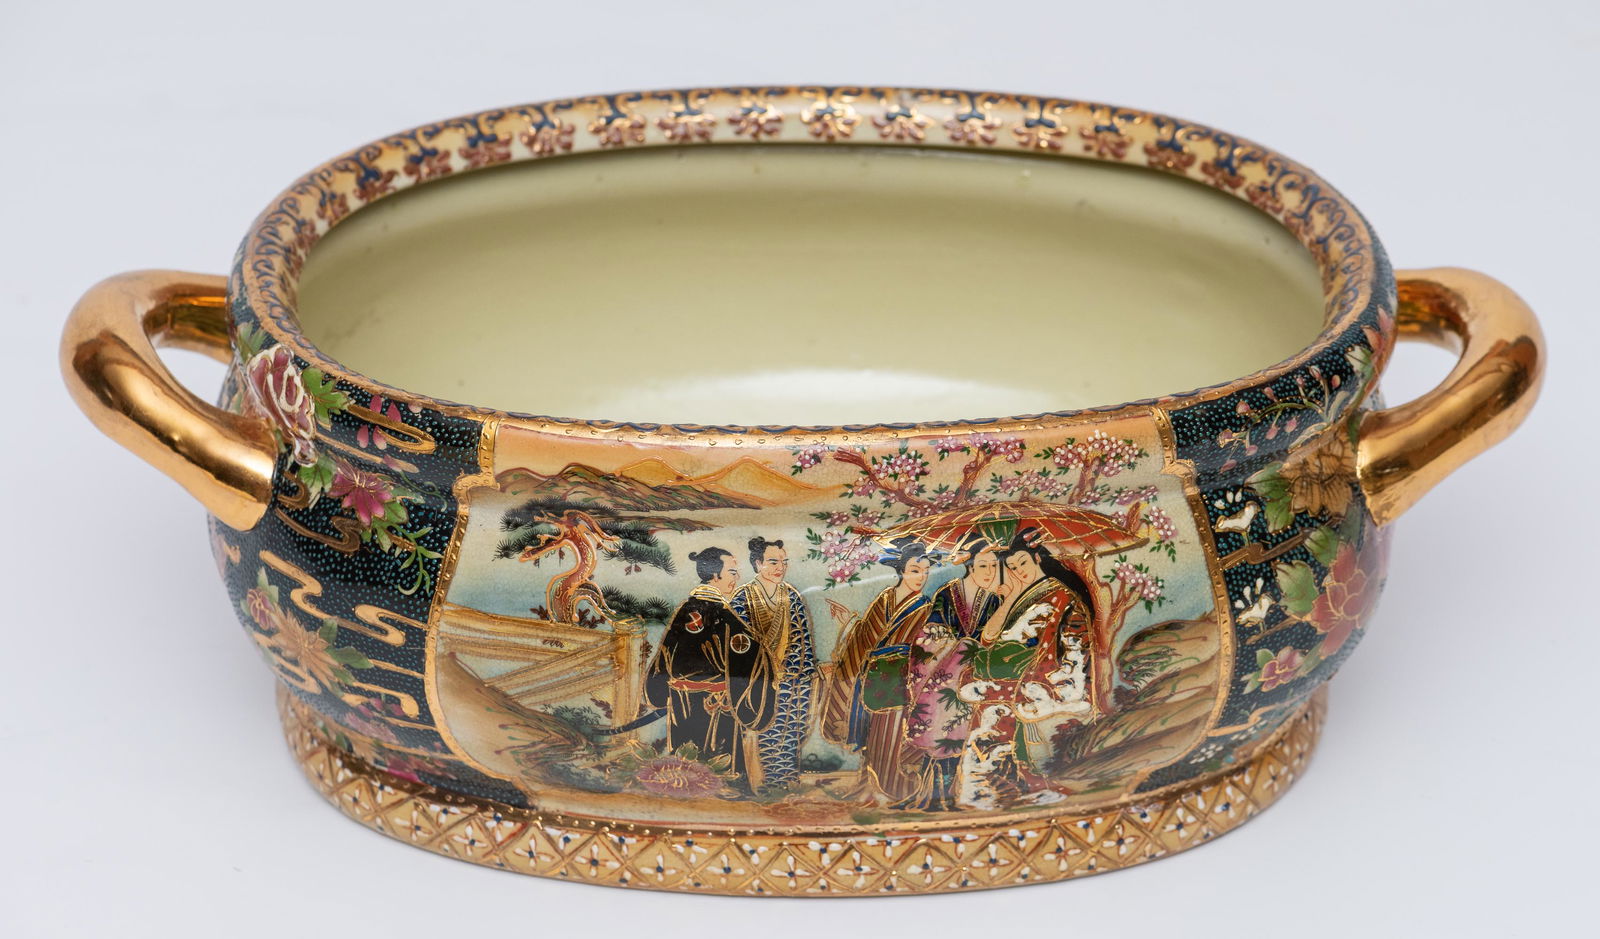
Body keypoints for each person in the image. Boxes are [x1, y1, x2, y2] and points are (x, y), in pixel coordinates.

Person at [955, 529, 1096, 807]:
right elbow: (989, 639)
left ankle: (1020, 788)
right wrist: (1009, 598)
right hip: (1001, 687)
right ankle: (990, 792)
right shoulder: (1025, 595)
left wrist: (1031, 676)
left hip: (1036, 684)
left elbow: (1070, 645)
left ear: (1037, 558)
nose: (1019, 570)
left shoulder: (1059, 596)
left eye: (1023, 562)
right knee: (987, 744)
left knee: (1008, 744)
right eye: (1012, 566)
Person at [642, 547, 775, 794]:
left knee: (686, 753)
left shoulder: (686, 610)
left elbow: (665, 654)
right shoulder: (721, 614)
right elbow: (748, 650)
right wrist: (765, 660)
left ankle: (686, 794)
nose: (736, 578)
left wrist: (659, 689)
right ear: (715, 575)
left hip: (681, 701)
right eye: (732, 572)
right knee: (720, 758)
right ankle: (726, 795)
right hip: (716, 702)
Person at [819, 537, 936, 805]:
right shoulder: (884, 599)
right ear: (901, 571)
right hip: (870, 676)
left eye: (926, 571)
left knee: (890, 736)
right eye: (915, 570)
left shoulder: (925, 607)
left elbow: (924, 647)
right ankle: (866, 784)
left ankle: (891, 788)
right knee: (868, 734)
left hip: (900, 680)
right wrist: (850, 626)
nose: (921, 577)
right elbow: (864, 636)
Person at [903, 536, 1003, 810]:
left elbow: (995, 640)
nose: (989, 572)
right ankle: (933, 795)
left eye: (993, 566)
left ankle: (957, 792)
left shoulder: (995, 601)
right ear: (969, 566)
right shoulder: (947, 594)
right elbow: (929, 636)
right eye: (983, 566)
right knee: (940, 732)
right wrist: (959, 649)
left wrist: (973, 653)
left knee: (965, 737)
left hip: (974, 680)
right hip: (941, 677)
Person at [731, 536, 819, 793]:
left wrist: (800, 674)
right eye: (773, 562)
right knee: (762, 730)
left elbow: (802, 640)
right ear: (758, 563)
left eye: (784, 562)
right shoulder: (742, 598)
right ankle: (760, 782)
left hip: (791, 679)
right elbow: (736, 645)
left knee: (790, 729)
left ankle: (785, 779)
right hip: (755, 681)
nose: (781, 567)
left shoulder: (792, 596)